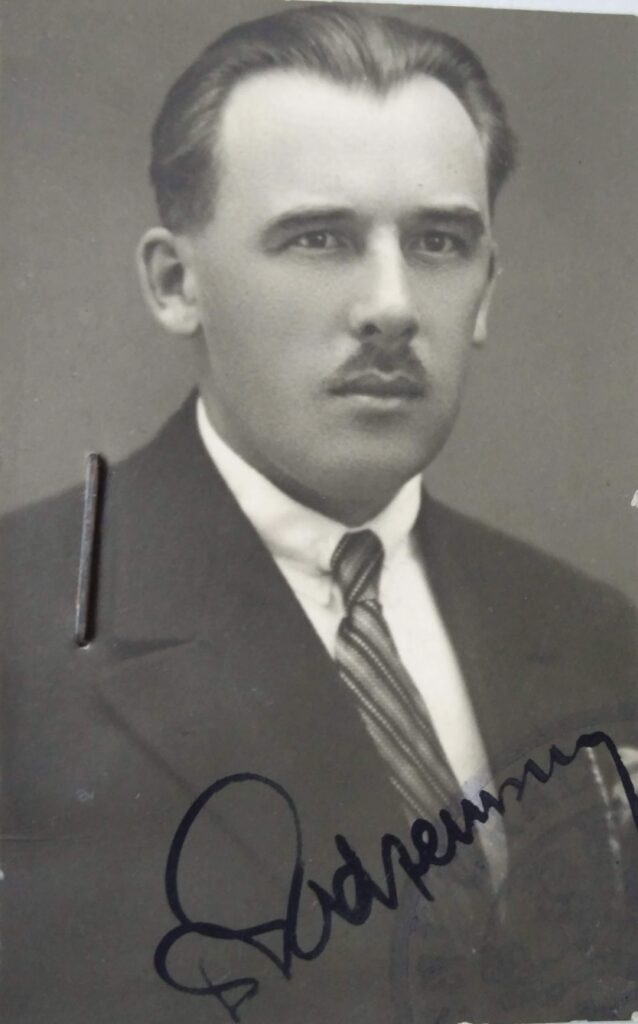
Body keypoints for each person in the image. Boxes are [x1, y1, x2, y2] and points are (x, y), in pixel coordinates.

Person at [2, 7, 636, 1024]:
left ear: (484, 291)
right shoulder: (23, 626)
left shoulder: (593, 633)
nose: (392, 304)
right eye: (319, 238)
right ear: (176, 283)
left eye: (438, 241)